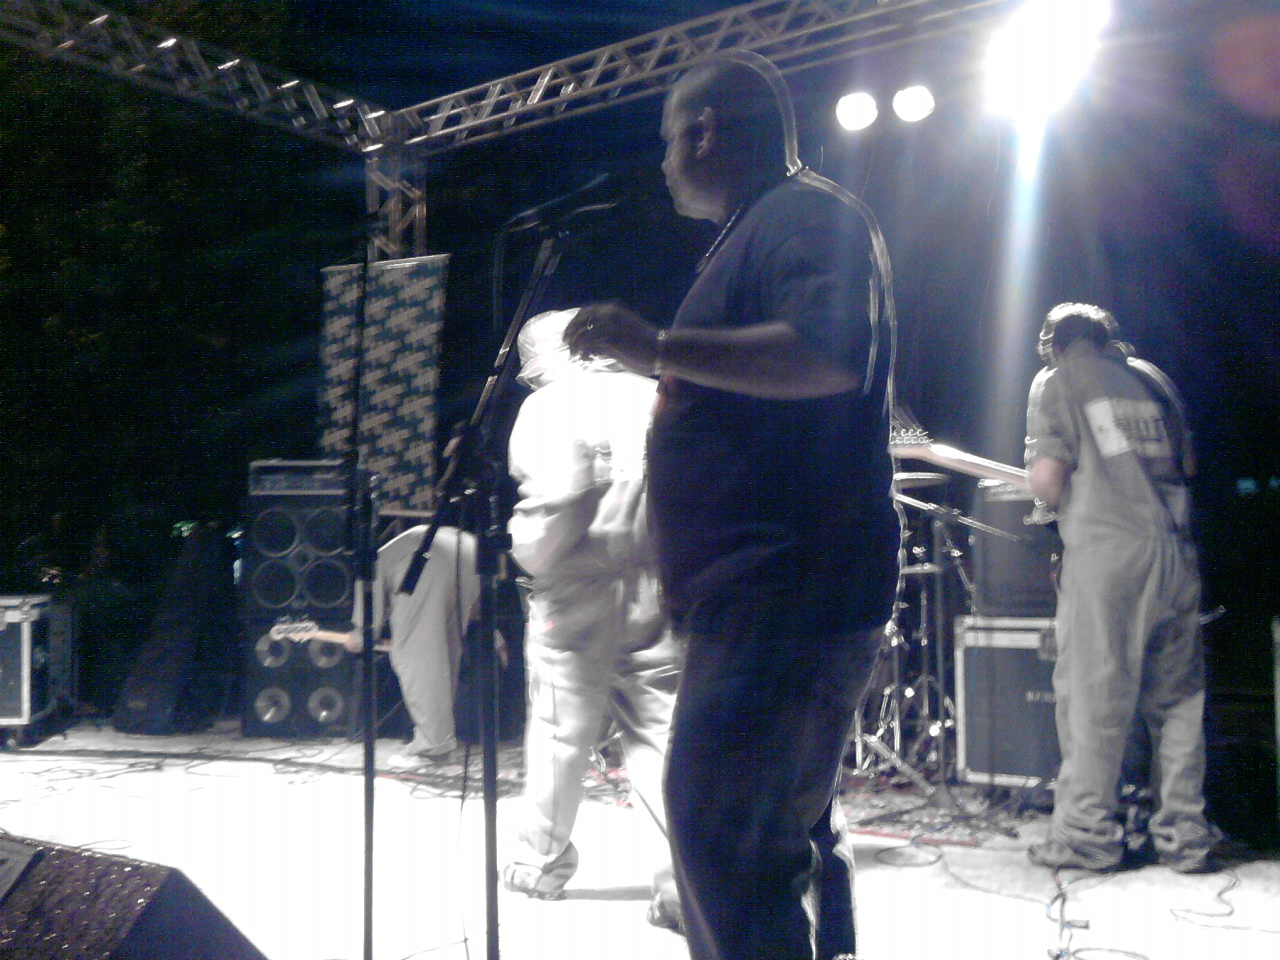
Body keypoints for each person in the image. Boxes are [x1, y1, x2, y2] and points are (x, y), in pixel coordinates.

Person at [565, 52, 899, 960]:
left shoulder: (805, 214)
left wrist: (657, 348)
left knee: (721, 841)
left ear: (707, 130)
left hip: (782, 591)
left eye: (669, 140)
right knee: (772, 835)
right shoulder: (763, 226)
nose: (664, 162)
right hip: (766, 593)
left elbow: (827, 355)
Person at [502, 308, 683, 928]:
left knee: (559, 731)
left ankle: (540, 863)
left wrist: (527, 554)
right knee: (661, 734)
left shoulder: (549, 406)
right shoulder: (654, 394)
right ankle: (681, 885)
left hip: (577, 589)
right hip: (658, 581)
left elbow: (557, 502)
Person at [1023, 302, 1219, 873]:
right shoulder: (1154, 380)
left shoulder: (1057, 379)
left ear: (1054, 344)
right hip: (1175, 554)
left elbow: (1048, 481)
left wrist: (1046, 494)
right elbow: (1186, 465)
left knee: (1094, 701)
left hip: (1109, 554)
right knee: (1179, 703)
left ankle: (1087, 838)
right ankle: (1185, 837)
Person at [315, 524, 480, 765]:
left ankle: (433, 748)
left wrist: (358, 638)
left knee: (417, 657)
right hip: (468, 549)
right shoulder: (389, 551)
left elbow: (367, 628)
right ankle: (438, 738)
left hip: (425, 560)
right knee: (446, 652)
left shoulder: (370, 565)